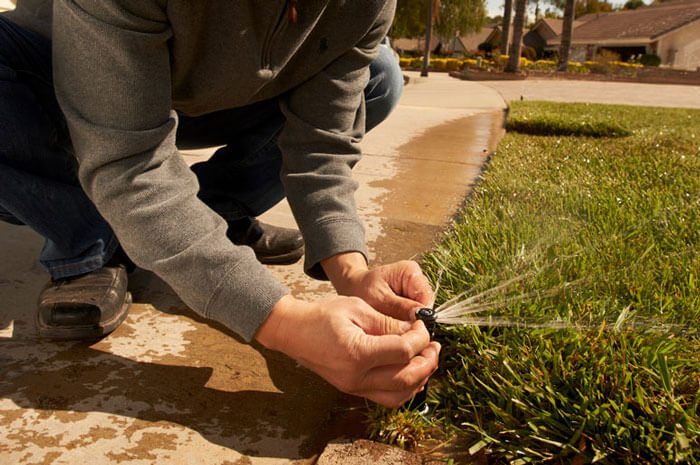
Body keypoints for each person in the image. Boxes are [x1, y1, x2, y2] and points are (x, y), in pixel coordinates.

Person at [0, 0, 440, 408]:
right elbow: (130, 164)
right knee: (125, 194)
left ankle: (217, 211)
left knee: (378, 76)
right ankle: (88, 240)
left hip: (211, 92)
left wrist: (351, 271)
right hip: (74, 80)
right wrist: (284, 324)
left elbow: (322, 144)